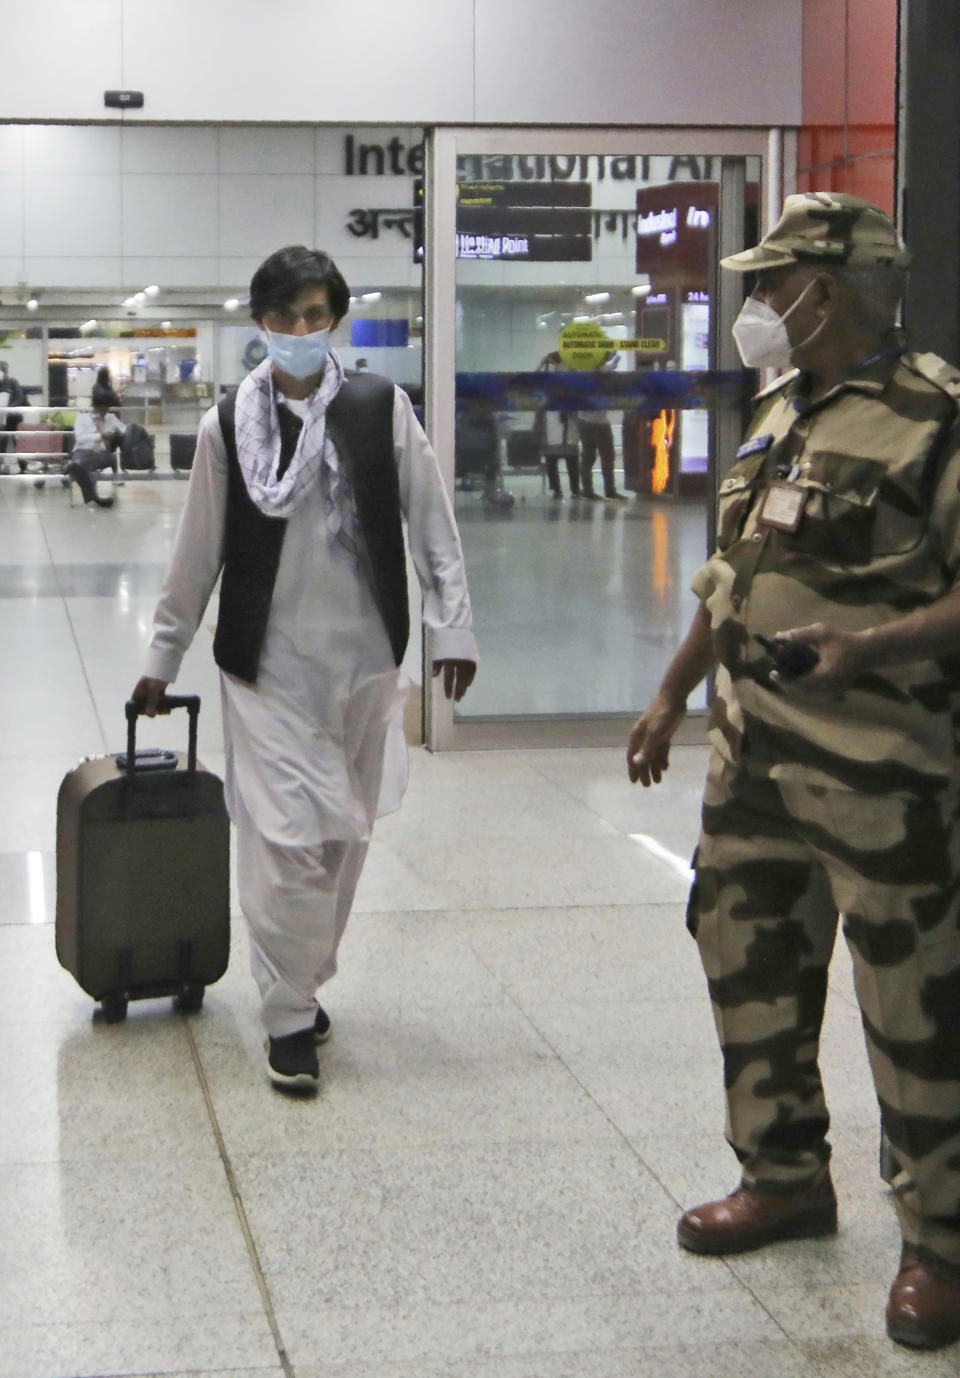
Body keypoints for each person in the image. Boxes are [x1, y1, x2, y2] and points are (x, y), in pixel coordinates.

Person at [626, 192, 960, 1352]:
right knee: (748, 963)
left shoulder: (937, 418)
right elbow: (733, 574)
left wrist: (870, 647)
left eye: (775, 285)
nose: (759, 305)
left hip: (881, 772)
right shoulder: (781, 409)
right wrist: (674, 693)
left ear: (840, 286)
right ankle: (783, 1176)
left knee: (913, 1005)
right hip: (752, 758)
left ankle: (940, 1242)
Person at [130, 245, 478, 1093]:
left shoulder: (377, 407)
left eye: (313, 316)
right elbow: (196, 552)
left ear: (336, 321)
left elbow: (431, 518)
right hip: (267, 668)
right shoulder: (227, 425)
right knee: (283, 842)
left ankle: (299, 979)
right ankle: (287, 1017)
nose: (297, 331)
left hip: (363, 662)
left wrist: (453, 628)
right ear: (260, 323)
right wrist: (160, 654)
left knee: (339, 838)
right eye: (282, 317)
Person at [578, 350, 627, 500]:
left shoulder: (581, 374)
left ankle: (587, 491)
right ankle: (609, 491)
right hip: (599, 423)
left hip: (583, 421)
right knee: (607, 457)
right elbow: (616, 359)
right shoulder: (600, 372)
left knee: (588, 457)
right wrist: (611, 355)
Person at [65, 392, 126, 508]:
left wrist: (117, 432)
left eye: (106, 408)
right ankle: (94, 497)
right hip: (82, 451)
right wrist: (100, 436)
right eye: (102, 408)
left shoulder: (110, 418)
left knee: (79, 464)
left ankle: (73, 466)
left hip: (99, 453)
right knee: (80, 461)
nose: (105, 411)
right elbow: (80, 438)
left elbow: (124, 429)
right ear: (95, 407)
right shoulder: (82, 418)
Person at [536, 350, 580, 499]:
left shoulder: (571, 371)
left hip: (567, 420)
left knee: (571, 458)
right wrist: (543, 363)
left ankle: (574, 490)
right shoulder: (548, 371)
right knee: (552, 459)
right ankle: (557, 489)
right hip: (553, 421)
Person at [0, 360, 27, 459]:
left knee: (18, 445)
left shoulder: (12, 382)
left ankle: (21, 465)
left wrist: (10, 408)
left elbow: (20, 398)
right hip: (1, 422)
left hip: (13, 419)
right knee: (2, 443)